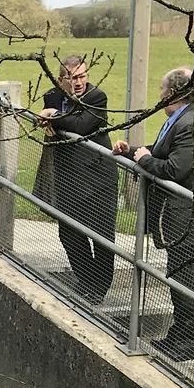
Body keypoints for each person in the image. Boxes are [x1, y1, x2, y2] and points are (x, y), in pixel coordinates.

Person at [113, 67, 194, 362]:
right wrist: (133, 151)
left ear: (174, 93)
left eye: (163, 90)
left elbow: (175, 169)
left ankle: (192, 341)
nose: (160, 95)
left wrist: (145, 159)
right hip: (179, 217)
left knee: (191, 277)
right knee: (178, 276)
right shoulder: (181, 118)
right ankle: (179, 333)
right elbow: (164, 153)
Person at [37, 54, 117, 304]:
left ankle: (99, 288)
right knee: (69, 232)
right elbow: (54, 127)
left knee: (101, 237)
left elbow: (80, 126)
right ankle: (85, 281)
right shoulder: (52, 96)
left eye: (82, 76)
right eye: (72, 78)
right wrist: (48, 116)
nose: (79, 82)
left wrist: (51, 115)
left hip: (98, 180)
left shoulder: (96, 97)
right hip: (68, 177)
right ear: (62, 80)